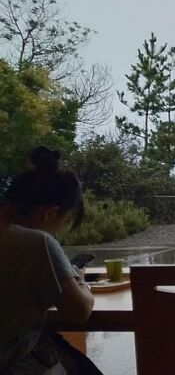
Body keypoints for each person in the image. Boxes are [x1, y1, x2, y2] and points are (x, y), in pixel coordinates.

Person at [0, 147, 102, 375]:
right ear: (50, 214)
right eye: (64, 222)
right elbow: (79, 311)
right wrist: (80, 281)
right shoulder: (38, 242)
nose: (58, 231)